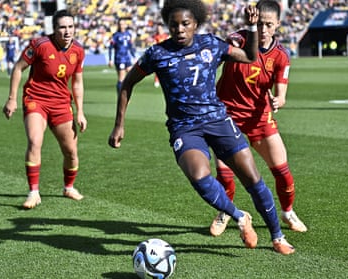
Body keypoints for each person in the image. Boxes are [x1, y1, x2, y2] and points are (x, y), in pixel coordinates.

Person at [108, 0, 295, 255]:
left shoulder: (211, 44)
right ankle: (239, 217)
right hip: (184, 128)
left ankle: (277, 236)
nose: (180, 30)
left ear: (196, 24)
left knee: (253, 179)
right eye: (174, 25)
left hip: (218, 120)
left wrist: (251, 28)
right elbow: (127, 83)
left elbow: (250, 56)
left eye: (186, 24)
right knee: (199, 176)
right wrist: (119, 125)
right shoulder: (157, 54)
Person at [209, 0, 307, 237]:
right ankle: (225, 212)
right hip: (227, 116)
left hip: (259, 118)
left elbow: (281, 90)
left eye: (268, 25)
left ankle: (288, 211)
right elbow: (225, 46)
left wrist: (279, 100)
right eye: (259, 24)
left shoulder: (281, 56)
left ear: (277, 25)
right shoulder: (239, 40)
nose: (263, 30)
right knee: (224, 173)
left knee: (282, 171)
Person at [2, 9, 87, 209]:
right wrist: (12, 99)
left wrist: (80, 111)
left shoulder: (79, 51)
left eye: (71, 27)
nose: (67, 32)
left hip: (61, 104)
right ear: (54, 29)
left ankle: (68, 188)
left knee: (71, 152)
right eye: (62, 27)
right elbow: (17, 68)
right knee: (35, 141)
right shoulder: (39, 45)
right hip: (36, 99)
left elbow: (77, 83)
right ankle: (33, 193)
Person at [108, 18, 135, 93]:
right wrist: (110, 60)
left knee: (131, 77)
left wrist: (134, 56)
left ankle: (126, 94)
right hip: (119, 59)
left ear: (126, 25)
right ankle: (120, 97)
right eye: (120, 24)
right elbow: (110, 48)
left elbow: (130, 47)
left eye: (123, 24)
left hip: (127, 58)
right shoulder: (116, 35)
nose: (121, 26)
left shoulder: (128, 34)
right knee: (121, 78)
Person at [152, 23, 169, 88]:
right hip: (159, 55)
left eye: (160, 28)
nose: (159, 29)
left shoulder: (166, 36)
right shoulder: (156, 36)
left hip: (165, 54)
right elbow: (154, 44)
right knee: (158, 68)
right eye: (158, 28)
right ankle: (156, 81)